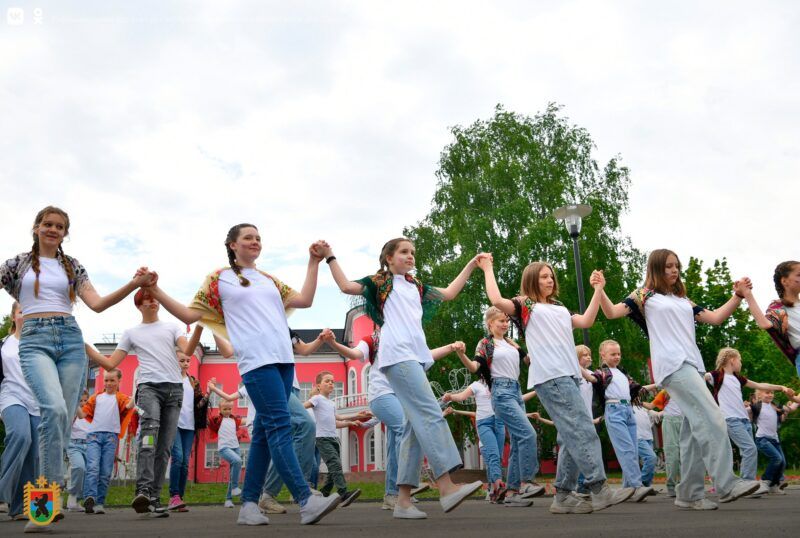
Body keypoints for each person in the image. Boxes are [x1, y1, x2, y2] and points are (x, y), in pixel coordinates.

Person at [141, 224, 339, 525]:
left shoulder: (268, 279)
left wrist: (313, 262)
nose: (255, 242)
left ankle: (248, 505)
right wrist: (154, 289)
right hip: (256, 362)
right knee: (280, 427)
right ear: (232, 245)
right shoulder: (219, 278)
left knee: (261, 434)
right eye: (248, 237)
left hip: (284, 361)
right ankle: (305, 499)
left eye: (258, 237)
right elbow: (188, 315)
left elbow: (305, 300)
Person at [0, 206, 151, 532]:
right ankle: (44, 503)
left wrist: (134, 283)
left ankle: (46, 505)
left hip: (70, 340)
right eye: (48, 224)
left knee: (60, 421)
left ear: (65, 233)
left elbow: (96, 304)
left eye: (60, 226)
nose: (53, 229)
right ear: (37, 227)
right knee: (52, 409)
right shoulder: (17, 264)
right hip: (35, 339)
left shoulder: (72, 266)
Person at [321, 238, 484, 519]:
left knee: (411, 427)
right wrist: (329, 256)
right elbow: (347, 286)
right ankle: (446, 486)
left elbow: (448, 293)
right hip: (397, 356)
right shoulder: (381, 283)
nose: (410, 257)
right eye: (404, 252)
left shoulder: (416, 286)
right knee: (430, 413)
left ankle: (403, 501)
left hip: (415, 357)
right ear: (389, 258)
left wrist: (471, 264)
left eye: (413, 253)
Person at [598, 248, 762, 510]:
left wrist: (738, 296)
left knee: (693, 435)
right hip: (673, 367)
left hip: (693, 365)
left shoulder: (683, 300)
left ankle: (689, 493)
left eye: (676, 266)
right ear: (656, 269)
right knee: (713, 418)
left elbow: (716, 318)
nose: (674, 271)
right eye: (668, 267)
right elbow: (611, 313)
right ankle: (727, 483)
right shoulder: (644, 296)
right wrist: (599, 290)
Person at [478, 255, 632, 515]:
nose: (550, 280)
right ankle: (599, 488)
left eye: (551, 276)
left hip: (569, 375)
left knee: (573, 434)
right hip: (551, 376)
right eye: (544, 277)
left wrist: (598, 290)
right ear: (532, 281)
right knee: (584, 430)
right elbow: (496, 300)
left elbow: (586, 321)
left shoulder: (559, 306)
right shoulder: (526, 305)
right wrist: (488, 267)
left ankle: (562, 496)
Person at [324, 331, 463, 510]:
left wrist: (451, 347)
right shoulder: (375, 338)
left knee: (394, 443)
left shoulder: (407, 337)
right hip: (381, 396)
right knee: (405, 429)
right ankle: (407, 481)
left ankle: (391, 494)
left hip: (400, 396)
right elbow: (355, 354)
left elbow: (426, 355)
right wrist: (333, 344)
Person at [85, 288, 189, 516]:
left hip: (174, 391)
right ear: (139, 305)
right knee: (149, 435)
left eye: (154, 298)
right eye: (147, 299)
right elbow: (111, 362)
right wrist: (86, 348)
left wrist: (199, 325)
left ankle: (153, 497)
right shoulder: (132, 332)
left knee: (164, 447)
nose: (152, 301)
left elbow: (187, 349)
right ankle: (142, 490)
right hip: (149, 388)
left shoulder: (172, 327)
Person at [206, 327, 328, 514]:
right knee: (305, 425)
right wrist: (209, 322)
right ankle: (302, 490)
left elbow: (304, 349)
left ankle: (256, 500)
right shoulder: (255, 325)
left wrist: (321, 339)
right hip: (273, 386)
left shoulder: (284, 329)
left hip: (290, 387)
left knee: (264, 442)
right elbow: (228, 351)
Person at [452, 306, 545, 506]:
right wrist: (461, 354)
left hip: (516, 390)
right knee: (529, 434)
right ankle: (526, 481)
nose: (505, 324)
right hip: (501, 391)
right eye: (500, 321)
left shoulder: (511, 343)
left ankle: (511, 492)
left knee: (519, 441)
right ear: (490, 324)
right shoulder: (486, 343)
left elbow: (529, 361)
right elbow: (475, 367)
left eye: (506, 321)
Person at [704, 347, 793, 497]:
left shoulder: (738, 378)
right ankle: (747, 483)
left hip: (745, 421)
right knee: (750, 449)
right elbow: (701, 377)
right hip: (730, 419)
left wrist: (781, 387)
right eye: (740, 360)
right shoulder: (717, 375)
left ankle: (746, 485)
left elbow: (760, 385)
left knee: (748, 451)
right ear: (732, 360)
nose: (741, 363)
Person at [584, 340, 655, 501]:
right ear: (603, 354)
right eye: (613, 354)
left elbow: (639, 389)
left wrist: (660, 383)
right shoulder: (601, 373)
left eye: (618, 354)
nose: (617, 357)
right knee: (626, 449)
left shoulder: (622, 373)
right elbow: (591, 378)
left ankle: (628, 488)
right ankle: (637, 486)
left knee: (633, 450)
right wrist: (575, 364)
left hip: (629, 410)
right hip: (614, 410)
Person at [0, 302, 40, 522]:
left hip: (37, 404)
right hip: (11, 398)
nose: (26, 315)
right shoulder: (3, 345)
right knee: (20, 436)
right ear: (14, 316)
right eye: (22, 311)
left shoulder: (40, 345)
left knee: (32, 455)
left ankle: (19, 507)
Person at [304, 371, 366, 507]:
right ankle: (343, 494)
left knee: (333, 471)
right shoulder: (317, 399)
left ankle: (323, 496)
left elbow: (337, 420)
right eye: (327, 381)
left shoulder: (331, 403)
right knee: (335, 465)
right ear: (318, 386)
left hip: (334, 439)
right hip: (322, 439)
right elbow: (303, 407)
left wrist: (354, 418)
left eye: (332, 381)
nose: (331, 383)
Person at [168, 325, 210, 512]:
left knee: (185, 461)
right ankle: (174, 495)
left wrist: (208, 394)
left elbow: (198, 405)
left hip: (190, 425)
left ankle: (180, 498)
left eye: (187, 361)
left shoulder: (193, 382)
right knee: (177, 457)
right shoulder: (170, 379)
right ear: (174, 361)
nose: (185, 363)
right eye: (182, 361)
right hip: (174, 424)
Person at [81, 369, 135, 515]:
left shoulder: (120, 397)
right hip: (93, 436)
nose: (109, 383)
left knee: (105, 472)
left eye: (112, 380)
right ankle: (89, 497)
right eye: (106, 380)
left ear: (118, 381)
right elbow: (82, 414)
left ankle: (99, 502)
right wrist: (73, 401)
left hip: (111, 438)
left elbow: (129, 406)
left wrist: (136, 390)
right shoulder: (96, 397)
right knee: (92, 467)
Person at [735, 262, 800, 376]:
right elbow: (764, 324)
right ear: (784, 281)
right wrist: (747, 293)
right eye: (799, 275)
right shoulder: (778, 308)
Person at [751, 389, 798, 494]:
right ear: (759, 395)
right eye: (767, 392)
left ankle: (774, 486)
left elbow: (790, 409)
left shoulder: (775, 405)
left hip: (774, 439)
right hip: (762, 439)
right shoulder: (757, 406)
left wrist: (796, 401)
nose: (770, 395)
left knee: (782, 463)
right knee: (777, 458)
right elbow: (745, 411)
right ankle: (764, 481)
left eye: (772, 393)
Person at [207, 400, 245, 508]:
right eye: (225, 409)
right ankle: (235, 487)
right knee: (237, 460)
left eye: (229, 409)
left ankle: (228, 499)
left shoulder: (234, 419)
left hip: (235, 446)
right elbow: (209, 421)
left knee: (233, 473)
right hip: (224, 447)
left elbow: (244, 421)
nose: (227, 411)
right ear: (220, 409)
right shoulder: (217, 419)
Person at [646, 389, 682, 497]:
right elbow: (651, 406)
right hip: (670, 421)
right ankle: (671, 486)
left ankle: (684, 485)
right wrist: (634, 399)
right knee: (672, 456)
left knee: (686, 456)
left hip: (685, 421)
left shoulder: (686, 388)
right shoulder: (666, 391)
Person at [66, 390, 90, 511]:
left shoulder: (90, 414)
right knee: (79, 467)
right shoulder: (74, 412)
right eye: (80, 400)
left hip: (88, 445)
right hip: (74, 445)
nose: (83, 403)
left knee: (86, 473)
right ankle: (72, 496)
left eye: (85, 400)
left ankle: (77, 501)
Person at [632, 399, 662, 490]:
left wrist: (669, 410)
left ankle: (646, 487)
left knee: (650, 462)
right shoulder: (627, 407)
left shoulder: (644, 408)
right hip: (637, 437)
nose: (638, 396)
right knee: (651, 458)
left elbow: (657, 415)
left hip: (648, 438)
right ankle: (643, 484)